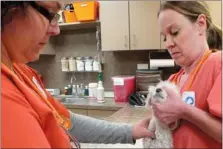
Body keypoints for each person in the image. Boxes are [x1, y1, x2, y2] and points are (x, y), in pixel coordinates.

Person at [1, 1, 154, 148]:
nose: (56, 30)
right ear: (9, 7)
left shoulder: (24, 73)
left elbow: (67, 123)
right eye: (49, 14)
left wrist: (130, 132)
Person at [151, 1, 222, 148]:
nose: (168, 43)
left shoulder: (218, 64)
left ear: (200, 24)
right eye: (164, 37)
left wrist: (185, 111)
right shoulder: (172, 80)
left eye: (175, 32)